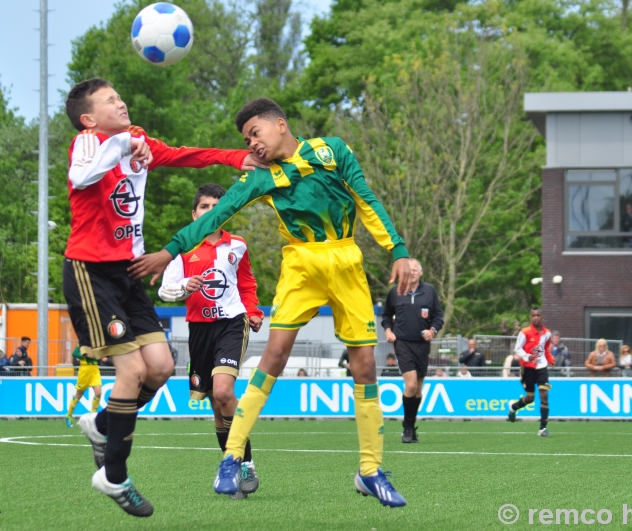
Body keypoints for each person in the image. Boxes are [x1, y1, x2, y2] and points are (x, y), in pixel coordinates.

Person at [127, 98, 411, 507]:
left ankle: (370, 471)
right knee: (273, 357)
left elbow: (365, 199)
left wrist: (396, 248)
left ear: (280, 124)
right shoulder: (261, 177)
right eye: (245, 140)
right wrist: (171, 251)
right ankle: (232, 458)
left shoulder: (332, 150)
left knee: (365, 366)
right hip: (301, 265)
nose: (251, 145)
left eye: (255, 134)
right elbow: (215, 217)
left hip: (347, 262)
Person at [62, 77, 264, 517]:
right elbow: (82, 176)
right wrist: (121, 145)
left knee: (161, 367)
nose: (121, 101)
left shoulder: (137, 140)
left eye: (120, 95)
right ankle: (113, 476)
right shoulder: (89, 143)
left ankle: (100, 426)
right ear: (88, 118)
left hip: (128, 272)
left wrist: (236, 159)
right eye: (110, 100)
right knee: (131, 370)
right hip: (90, 271)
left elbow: (186, 155)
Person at [158, 183, 264, 500]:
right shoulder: (183, 247)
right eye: (204, 207)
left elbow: (246, 284)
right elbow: (165, 290)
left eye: (217, 207)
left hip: (231, 323)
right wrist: (184, 288)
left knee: (223, 391)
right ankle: (231, 461)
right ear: (195, 213)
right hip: (199, 329)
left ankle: (244, 463)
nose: (210, 212)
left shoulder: (239, 246)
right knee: (217, 407)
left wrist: (254, 311)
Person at [381, 258, 444, 445]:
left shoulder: (430, 291)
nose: (413, 272)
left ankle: (411, 424)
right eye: (410, 270)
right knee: (410, 386)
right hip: (402, 343)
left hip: (422, 344)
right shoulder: (396, 292)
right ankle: (407, 428)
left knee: (418, 388)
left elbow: (438, 316)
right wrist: (388, 330)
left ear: (421, 272)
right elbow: (385, 316)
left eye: (416, 269)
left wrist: (432, 330)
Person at [507, 308, 555, 436]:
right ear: (530, 318)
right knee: (530, 398)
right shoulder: (525, 332)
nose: (536, 317)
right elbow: (517, 349)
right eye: (534, 315)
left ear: (542, 317)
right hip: (527, 368)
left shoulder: (547, 333)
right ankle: (513, 407)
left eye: (538, 315)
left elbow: (545, 349)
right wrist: (527, 356)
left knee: (544, 395)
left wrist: (550, 359)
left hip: (541, 367)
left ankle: (542, 429)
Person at [66, 344, 103, 428]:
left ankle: (92, 417)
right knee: (79, 394)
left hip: (95, 369)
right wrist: (84, 355)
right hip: (84, 370)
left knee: (98, 393)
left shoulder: (95, 343)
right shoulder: (82, 343)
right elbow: (74, 353)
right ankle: (69, 415)